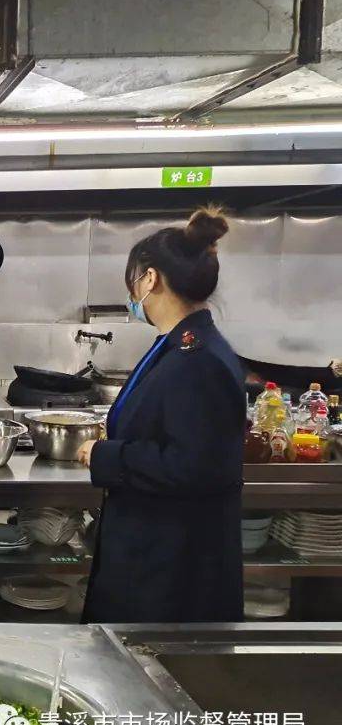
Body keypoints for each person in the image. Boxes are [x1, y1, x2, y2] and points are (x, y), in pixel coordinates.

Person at [77, 207, 245, 623]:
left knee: (148, 676)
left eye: (134, 279)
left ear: (150, 278)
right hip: (151, 550)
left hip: (171, 570)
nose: (133, 293)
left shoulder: (198, 358)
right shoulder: (177, 345)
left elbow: (197, 466)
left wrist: (105, 455)